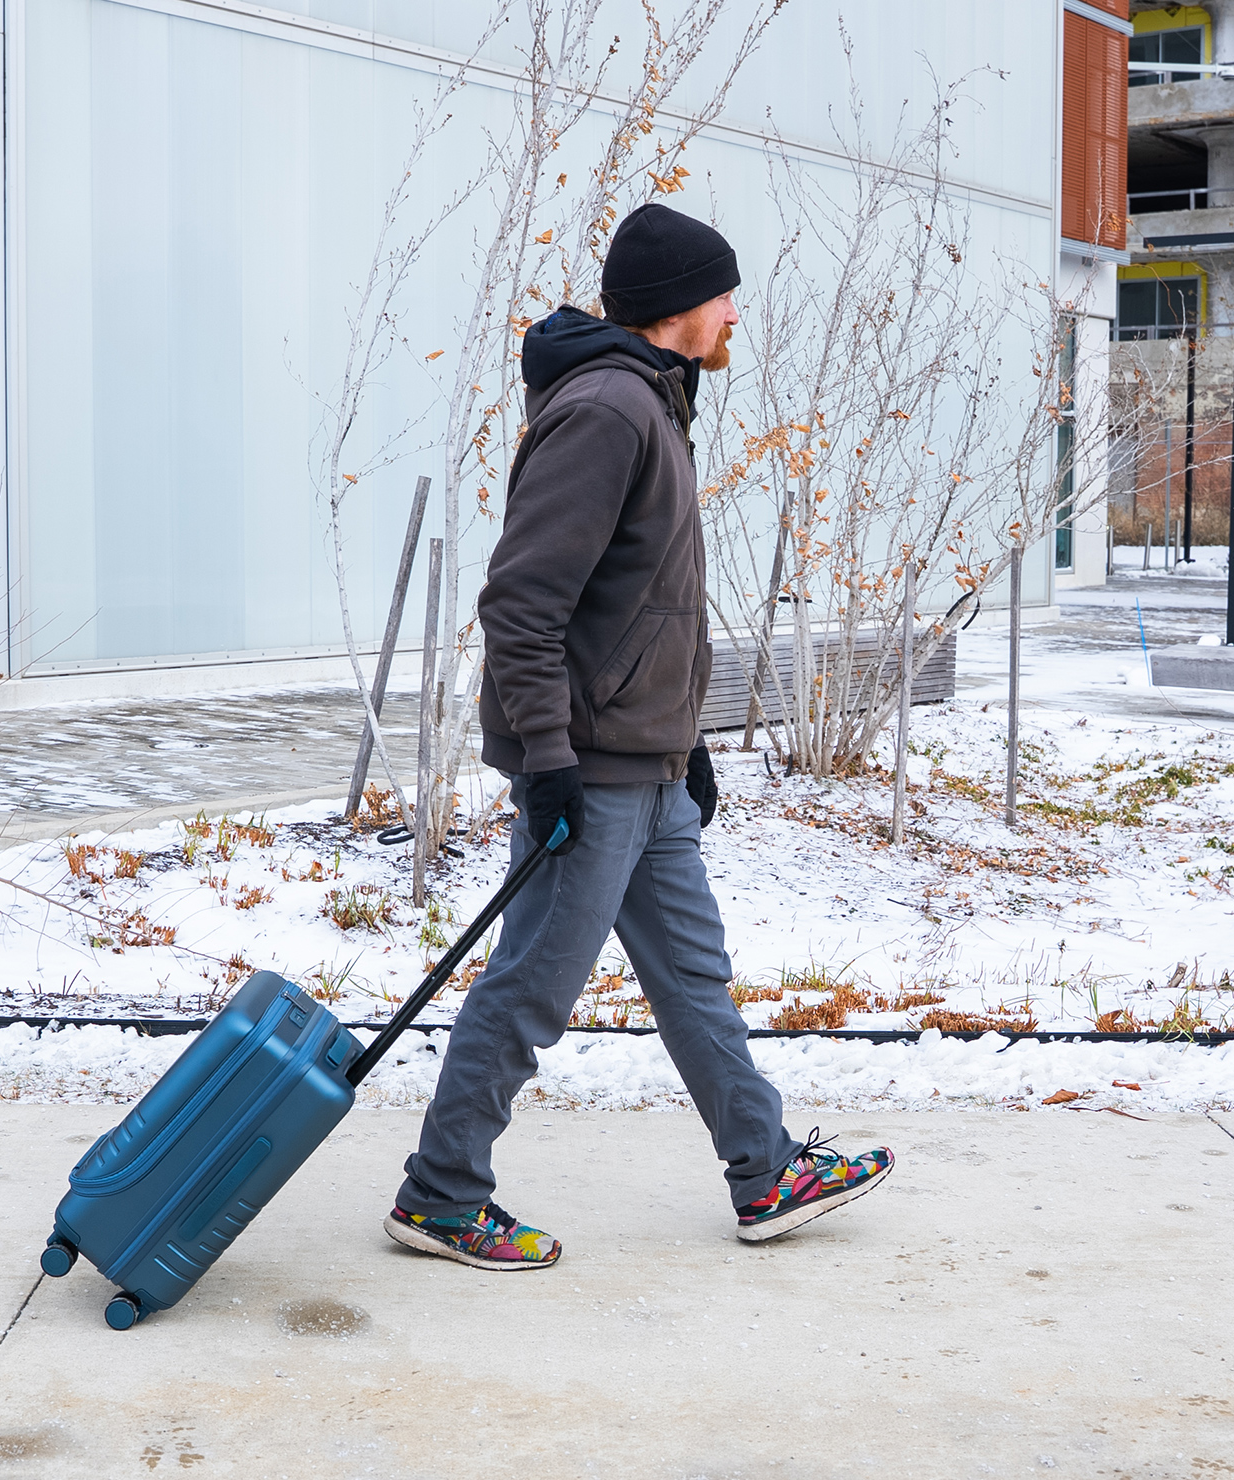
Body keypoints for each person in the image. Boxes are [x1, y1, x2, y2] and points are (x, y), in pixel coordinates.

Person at [383, 203, 895, 1271]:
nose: (733, 316)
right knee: (530, 988)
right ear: (680, 306)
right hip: (592, 769)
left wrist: (685, 737)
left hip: (646, 762)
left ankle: (765, 1171)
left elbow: (647, 602)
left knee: (693, 979)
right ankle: (440, 1194)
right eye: (723, 295)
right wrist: (553, 762)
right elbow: (523, 606)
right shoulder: (611, 410)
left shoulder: (656, 403)